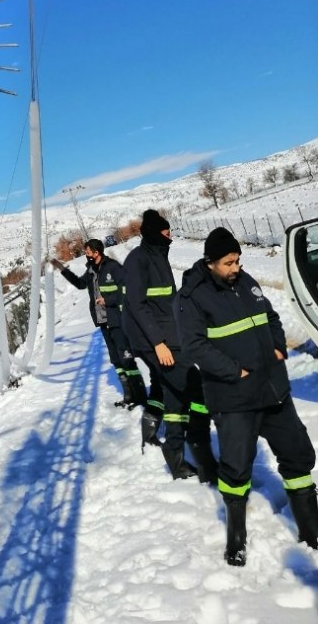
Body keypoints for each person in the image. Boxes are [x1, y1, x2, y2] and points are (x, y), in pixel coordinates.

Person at [176, 226, 318, 566]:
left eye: (237, 260)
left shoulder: (245, 281)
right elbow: (195, 346)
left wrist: (278, 346)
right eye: (228, 263)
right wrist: (233, 371)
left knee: (298, 455)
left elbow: (270, 316)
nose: (235, 268)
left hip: (273, 389)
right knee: (237, 468)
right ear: (210, 262)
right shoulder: (191, 297)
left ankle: (311, 528)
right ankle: (236, 538)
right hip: (234, 398)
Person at [122, 209, 217, 480]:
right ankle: (203, 456)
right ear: (154, 233)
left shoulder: (158, 256)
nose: (171, 237)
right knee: (195, 386)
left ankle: (175, 456)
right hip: (153, 342)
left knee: (174, 393)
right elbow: (138, 306)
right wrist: (158, 344)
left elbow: (166, 302)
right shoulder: (138, 260)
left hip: (169, 337)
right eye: (166, 233)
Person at [52, 239, 147, 407]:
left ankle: (140, 397)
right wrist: (62, 269)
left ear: (97, 253)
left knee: (126, 359)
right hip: (102, 321)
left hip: (117, 320)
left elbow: (127, 290)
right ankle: (129, 395)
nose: (86, 255)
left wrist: (108, 300)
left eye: (88, 252)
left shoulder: (113, 267)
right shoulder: (91, 270)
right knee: (116, 360)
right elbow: (80, 284)